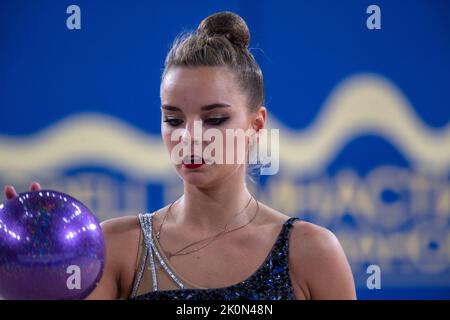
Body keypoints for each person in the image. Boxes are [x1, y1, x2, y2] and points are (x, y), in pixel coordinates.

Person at [3, 11, 356, 300]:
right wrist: (25, 276)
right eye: (173, 119)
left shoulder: (311, 253)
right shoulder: (118, 248)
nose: (190, 137)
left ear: (256, 124)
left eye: (214, 119)